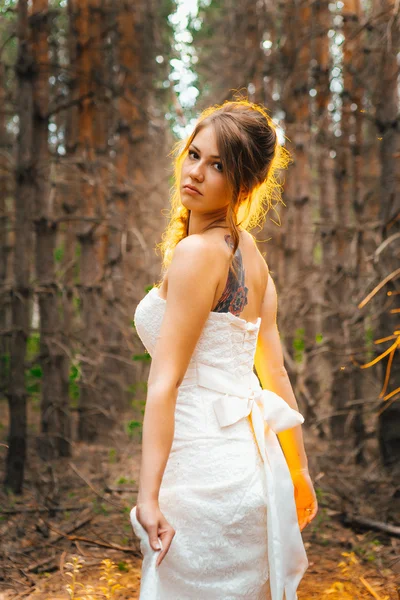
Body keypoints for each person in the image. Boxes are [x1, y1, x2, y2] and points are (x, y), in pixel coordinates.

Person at [130, 99, 318, 600]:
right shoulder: (248, 253)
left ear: (245, 185)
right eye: (194, 155)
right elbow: (274, 373)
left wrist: (147, 497)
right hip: (252, 476)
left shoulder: (198, 253)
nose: (196, 172)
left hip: (199, 479)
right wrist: (297, 473)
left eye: (218, 166)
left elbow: (164, 381)